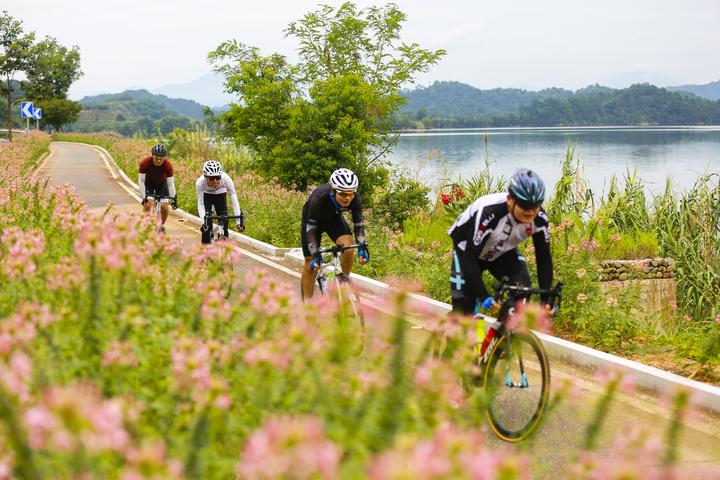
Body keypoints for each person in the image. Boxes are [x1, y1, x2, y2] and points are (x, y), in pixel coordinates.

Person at [448, 168, 553, 315]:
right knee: (463, 311)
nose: (530, 212)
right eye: (524, 205)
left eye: (535, 206)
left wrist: (545, 299)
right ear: (510, 200)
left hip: (501, 251)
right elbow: (470, 259)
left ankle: (504, 333)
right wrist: (483, 295)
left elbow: (544, 259)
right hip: (467, 252)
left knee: (521, 292)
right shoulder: (490, 213)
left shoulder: (540, 219)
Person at [300, 168, 369, 299]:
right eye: (342, 194)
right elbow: (311, 229)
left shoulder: (355, 199)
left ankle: (344, 283)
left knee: (348, 249)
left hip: (333, 220)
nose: (347, 198)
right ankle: (307, 305)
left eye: (350, 193)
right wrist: (315, 254)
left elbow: (359, 224)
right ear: (333, 191)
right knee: (310, 263)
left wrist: (361, 246)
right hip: (312, 224)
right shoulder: (319, 198)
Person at [195, 160, 244, 243]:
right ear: (205, 177)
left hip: (221, 196)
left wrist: (238, 222)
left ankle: (223, 245)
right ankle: (205, 250)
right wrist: (204, 222)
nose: (215, 181)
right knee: (207, 227)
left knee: (224, 223)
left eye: (217, 177)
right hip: (207, 198)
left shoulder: (226, 179)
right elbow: (201, 204)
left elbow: (233, 197)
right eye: (211, 178)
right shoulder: (200, 183)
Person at [138, 143, 177, 233]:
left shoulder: (168, 165)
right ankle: (146, 225)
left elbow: (170, 184)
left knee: (165, 207)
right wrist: (144, 198)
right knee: (148, 204)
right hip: (149, 183)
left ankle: (161, 225)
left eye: (161, 159)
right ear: (152, 156)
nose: (159, 161)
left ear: (164, 158)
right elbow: (141, 181)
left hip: (162, 184)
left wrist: (174, 198)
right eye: (156, 158)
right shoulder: (145, 163)